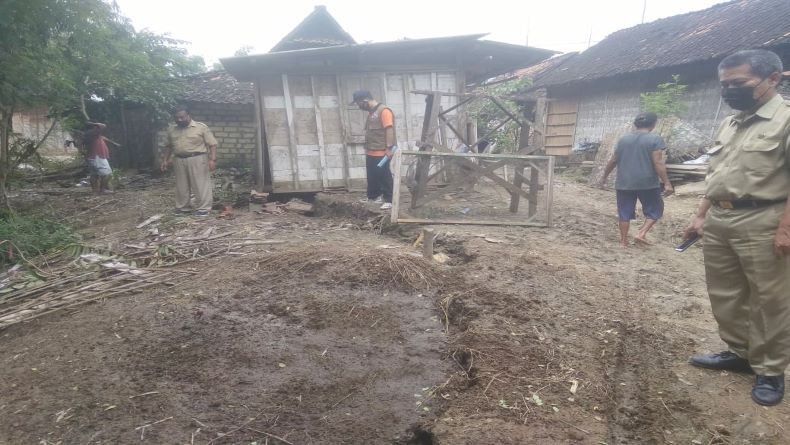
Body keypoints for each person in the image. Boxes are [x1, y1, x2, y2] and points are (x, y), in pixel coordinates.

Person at [683, 49, 790, 406]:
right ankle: (740, 354)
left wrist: (785, 229)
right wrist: (700, 216)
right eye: (724, 84)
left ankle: (770, 371)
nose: (729, 90)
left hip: (766, 219)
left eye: (739, 83)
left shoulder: (785, 120)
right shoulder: (730, 123)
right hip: (720, 217)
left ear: (772, 79)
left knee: (769, 300)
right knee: (726, 294)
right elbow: (718, 176)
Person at [598, 112, 674, 246]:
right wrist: (667, 183)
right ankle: (641, 233)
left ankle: (623, 241)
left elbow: (613, 160)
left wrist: (604, 176)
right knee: (655, 209)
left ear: (635, 124)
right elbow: (658, 163)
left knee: (624, 212)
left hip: (624, 183)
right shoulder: (655, 139)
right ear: (653, 124)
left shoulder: (623, 139)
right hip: (648, 183)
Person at [160, 107, 218, 217]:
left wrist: (212, 160)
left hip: (197, 158)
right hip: (178, 160)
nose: (180, 120)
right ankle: (183, 208)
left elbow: (212, 144)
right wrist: (165, 160)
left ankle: (203, 208)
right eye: (177, 118)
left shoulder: (200, 127)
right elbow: (168, 146)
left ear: (188, 115)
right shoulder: (172, 129)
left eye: (182, 117)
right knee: (181, 185)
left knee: (200, 184)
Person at [351, 90, 396, 210]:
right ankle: (373, 196)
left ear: (365, 101)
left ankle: (389, 199)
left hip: (382, 151)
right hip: (371, 150)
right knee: (372, 175)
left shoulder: (384, 111)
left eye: (359, 104)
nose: (359, 107)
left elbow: (389, 130)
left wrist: (389, 148)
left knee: (384, 174)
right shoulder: (371, 113)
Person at [83, 122, 113, 194]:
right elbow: (103, 125)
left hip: (92, 157)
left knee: (94, 174)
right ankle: (102, 190)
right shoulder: (92, 133)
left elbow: (103, 138)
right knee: (107, 174)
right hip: (97, 157)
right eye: (95, 127)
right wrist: (94, 124)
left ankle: (95, 191)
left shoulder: (89, 134)